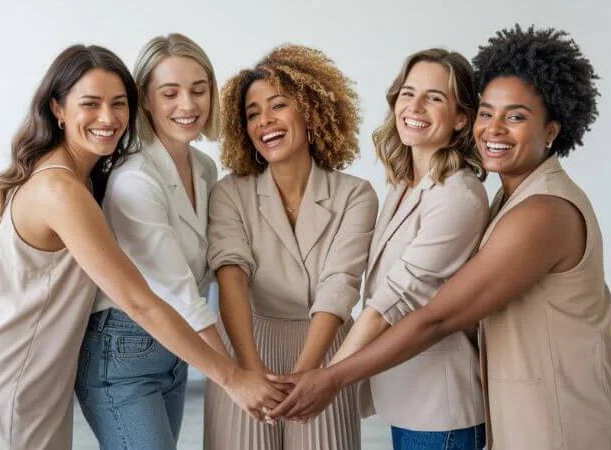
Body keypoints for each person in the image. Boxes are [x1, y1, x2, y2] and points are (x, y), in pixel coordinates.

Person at [269, 25, 611, 450]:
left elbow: (439, 316)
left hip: (569, 407)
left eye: (517, 116)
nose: (494, 128)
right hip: (522, 400)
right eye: (488, 113)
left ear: (551, 131)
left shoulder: (542, 213)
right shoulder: (506, 199)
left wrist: (331, 377)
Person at [0, 44, 285, 450]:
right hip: (8, 377)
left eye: (118, 103)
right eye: (90, 104)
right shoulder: (61, 190)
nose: (108, 118)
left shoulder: (87, 179)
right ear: (58, 109)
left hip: (43, 374)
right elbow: (139, 301)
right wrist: (232, 377)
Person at [203, 44, 377, 450]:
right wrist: (249, 370)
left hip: (326, 349)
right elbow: (231, 277)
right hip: (247, 340)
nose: (265, 121)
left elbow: (339, 285)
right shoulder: (230, 193)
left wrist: (306, 374)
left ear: (311, 110)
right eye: (252, 113)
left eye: (278, 105)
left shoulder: (356, 195)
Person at [73, 33, 230, 450]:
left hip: (175, 346)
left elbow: (209, 266)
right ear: (144, 98)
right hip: (124, 349)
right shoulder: (135, 178)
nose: (188, 105)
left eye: (199, 90)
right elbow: (178, 292)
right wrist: (234, 375)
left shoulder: (204, 167)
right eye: (171, 93)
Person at [326, 48, 488, 450]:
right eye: (407, 93)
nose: (414, 106)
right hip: (407, 395)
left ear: (462, 118)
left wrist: (327, 378)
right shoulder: (402, 184)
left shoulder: (458, 196)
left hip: (440, 406)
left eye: (434, 97)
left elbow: (390, 301)